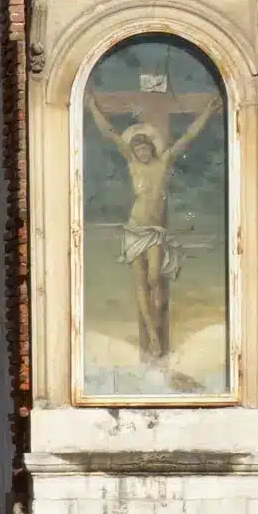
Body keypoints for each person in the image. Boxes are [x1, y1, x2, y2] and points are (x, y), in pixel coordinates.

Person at [84, 91, 223, 363]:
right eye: (137, 149)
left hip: (154, 231)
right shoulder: (132, 164)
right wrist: (91, 107)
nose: (142, 152)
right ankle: (152, 334)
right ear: (133, 151)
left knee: (154, 279)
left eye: (145, 148)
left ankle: (157, 327)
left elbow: (188, 138)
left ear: (152, 148)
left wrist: (206, 112)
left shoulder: (164, 162)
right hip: (134, 229)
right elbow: (111, 134)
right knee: (140, 284)